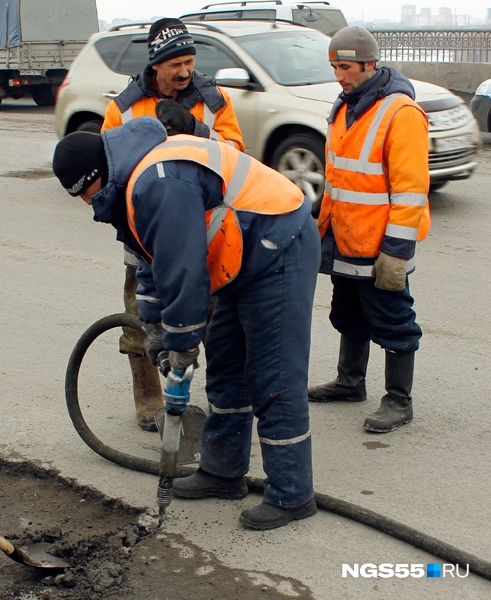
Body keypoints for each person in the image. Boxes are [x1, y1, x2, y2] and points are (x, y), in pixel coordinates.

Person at [52, 117, 319, 530]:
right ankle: (223, 472)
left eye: (86, 195)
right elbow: (152, 261)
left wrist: (181, 348)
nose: (89, 205)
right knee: (227, 369)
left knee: (273, 376)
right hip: (240, 255)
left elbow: (186, 275)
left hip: (278, 242)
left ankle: (292, 493)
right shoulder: (129, 182)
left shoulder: (156, 181)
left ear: (97, 176)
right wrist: (155, 327)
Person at [101, 17, 245, 432]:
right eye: (175, 64)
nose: (184, 71)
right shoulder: (124, 107)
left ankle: (220, 400)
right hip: (144, 231)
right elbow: (111, 172)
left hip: (207, 230)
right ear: (155, 65)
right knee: (142, 315)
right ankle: (148, 399)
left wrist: (196, 131)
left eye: (190, 61)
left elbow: (236, 156)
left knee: (215, 320)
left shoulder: (213, 101)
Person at [308, 26, 430, 434]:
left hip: (380, 244)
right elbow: (338, 179)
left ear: (369, 64)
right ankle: (349, 382)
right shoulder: (345, 107)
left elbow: (411, 191)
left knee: (394, 321)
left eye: (344, 67)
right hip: (345, 237)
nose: (338, 76)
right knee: (347, 314)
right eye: (334, 67)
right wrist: (320, 231)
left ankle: (399, 400)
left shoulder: (401, 113)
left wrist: (396, 252)